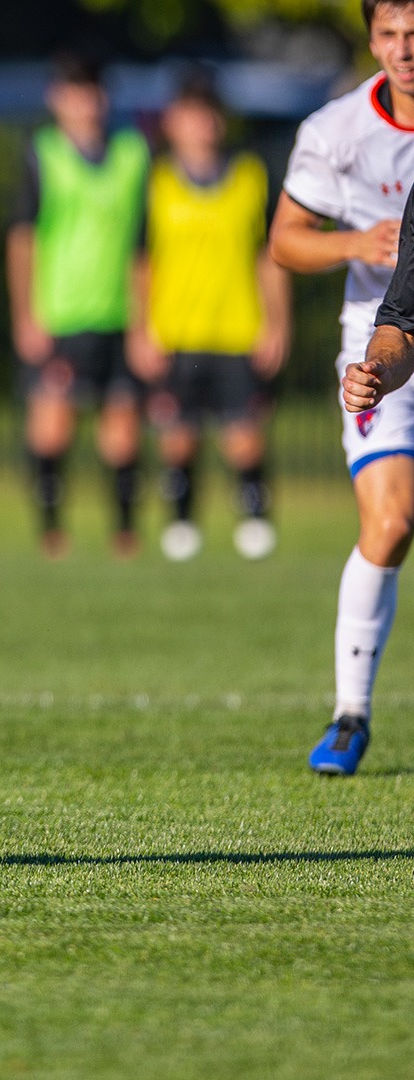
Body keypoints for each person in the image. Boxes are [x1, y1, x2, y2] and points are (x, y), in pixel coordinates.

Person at [271, 0, 414, 775]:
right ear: (371, 40)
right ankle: (351, 712)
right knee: (390, 523)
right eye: (390, 35)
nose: (404, 50)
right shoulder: (335, 132)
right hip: (385, 347)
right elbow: (284, 242)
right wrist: (357, 242)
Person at [132, 71, 291, 563]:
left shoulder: (250, 176)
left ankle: (255, 520)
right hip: (176, 330)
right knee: (178, 438)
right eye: (190, 115)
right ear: (173, 123)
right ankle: (182, 522)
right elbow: (142, 262)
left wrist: (278, 322)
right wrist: (140, 329)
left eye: (208, 114)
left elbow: (269, 255)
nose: (201, 125)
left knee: (244, 438)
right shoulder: (156, 181)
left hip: (237, 328)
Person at [8, 52, 152, 559]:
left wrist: (144, 319)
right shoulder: (43, 153)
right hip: (61, 312)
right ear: (57, 99)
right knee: (51, 429)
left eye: (93, 93)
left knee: (123, 432)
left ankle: (125, 533)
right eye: (75, 94)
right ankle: (51, 531)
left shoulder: (134, 154)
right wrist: (26, 314)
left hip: (118, 313)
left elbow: (142, 246)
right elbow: (22, 240)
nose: (86, 105)